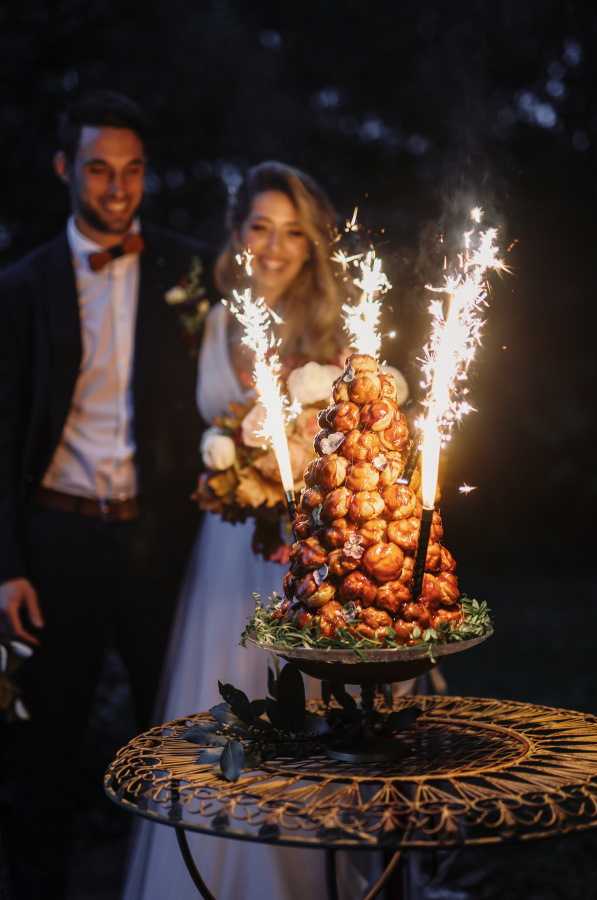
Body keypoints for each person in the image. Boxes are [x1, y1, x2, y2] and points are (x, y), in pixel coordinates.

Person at [124, 161, 388, 900]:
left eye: (294, 232)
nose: (275, 247)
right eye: (261, 228)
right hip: (226, 550)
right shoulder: (210, 322)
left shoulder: (338, 335)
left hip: (308, 556)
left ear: (313, 245)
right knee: (220, 713)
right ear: (238, 235)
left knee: (306, 720)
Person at [0, 91, 209, 899]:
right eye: (98, 169)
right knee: (41, 751)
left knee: (178, 736)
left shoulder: (187, 270)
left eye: (132, 171)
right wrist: (7, 564)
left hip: (162, 543)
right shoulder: (20, 287)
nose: (118, 189)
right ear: (64, 170)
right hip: (57, 544)